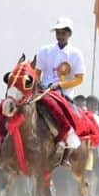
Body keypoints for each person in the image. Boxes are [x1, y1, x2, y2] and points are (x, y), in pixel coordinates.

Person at [35, 17, 89, 149]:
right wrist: (38, 84)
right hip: (44, 91)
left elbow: (79, 78)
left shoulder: (75, 54)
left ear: (69, 34)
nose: (60, 36)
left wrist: (60, 85)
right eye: (58, 33)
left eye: (63, 33)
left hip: (64, 95)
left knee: (69, 121)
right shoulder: (44, 50)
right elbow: (37, 72)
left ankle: (67, 149)